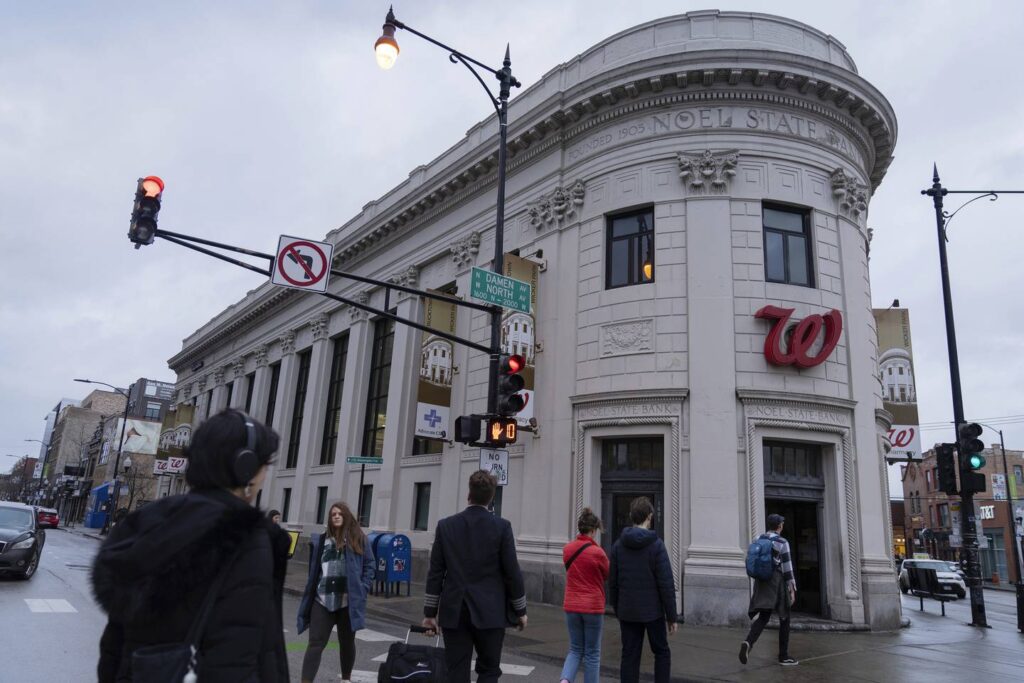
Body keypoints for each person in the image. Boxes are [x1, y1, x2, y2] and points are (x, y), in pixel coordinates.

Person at [91, 409, 288, 682]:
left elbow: (113, 649)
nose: (264, 475)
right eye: (264, 466)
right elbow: (235, 660)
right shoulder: (245, 538)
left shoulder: (148, 527)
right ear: (245, 467)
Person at [422, 470, 528, 683]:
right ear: (491, 498)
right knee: (489, 670)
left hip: (454, 611)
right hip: (491, 611)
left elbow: (435, 573)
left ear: (468, 494)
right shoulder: (501, 527)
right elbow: (512, 573)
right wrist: (520, 610)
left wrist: (430, 613)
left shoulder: (446, 526)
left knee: (456, 672)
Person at [297, 501, 375, 683]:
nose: (337, 516)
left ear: (346, 516)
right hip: (322, 600)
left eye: (340, 513)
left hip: (348, 602)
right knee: (315, 643)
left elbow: (370, 565)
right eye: (333, 514)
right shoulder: (321, 540)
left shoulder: (359, 539)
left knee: (347, 644)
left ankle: (346, 679)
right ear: (330, 519)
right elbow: (315, 569)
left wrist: (363, 588)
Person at [608, 496, 677, 683]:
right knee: (662, 652)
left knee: (629, 655)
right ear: (649, 516)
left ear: (632, 516)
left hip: (628, 610)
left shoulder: (617, 546)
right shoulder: (657, 546)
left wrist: (617, 607)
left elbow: (612, 582)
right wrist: (672, 616)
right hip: (653, 612)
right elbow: (666, 584)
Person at [739, 513, 798, 667]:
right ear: (779, 526)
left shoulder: (758, 538)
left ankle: (748, 642)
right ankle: (784, 656)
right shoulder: (782, 542)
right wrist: (792, 588)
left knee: (764, 616)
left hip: (762, 582)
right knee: (785, 617)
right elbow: (787, 567)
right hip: (777, 581)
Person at [560, 507, 609, 683]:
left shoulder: (567, 550)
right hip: (593, 606)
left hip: (571, 605)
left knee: (575, 649)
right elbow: (606, 574)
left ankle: (565, 681)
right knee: (592, 653)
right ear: (594, 530)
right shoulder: (598, 553)